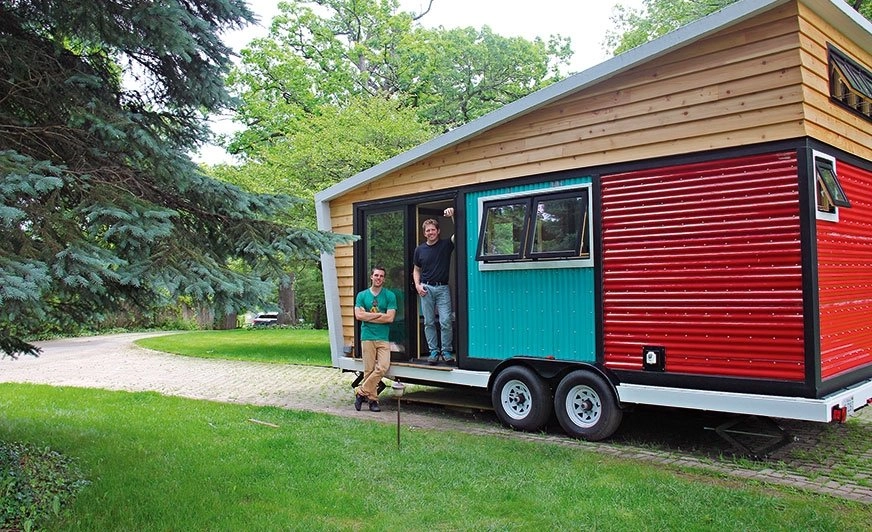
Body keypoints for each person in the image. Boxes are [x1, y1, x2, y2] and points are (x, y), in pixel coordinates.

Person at [413, 207, 455, 366]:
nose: (430, 232)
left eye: (433, 230)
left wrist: (453, 216)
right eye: (427, 231)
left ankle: (446, 351)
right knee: (429, 322)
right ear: (424, 233)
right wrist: (417, 286)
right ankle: (433, 351)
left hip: (443, 288)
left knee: (445, 321)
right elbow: (416, 270)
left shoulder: (446, 245)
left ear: (438, 231)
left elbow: (459, 234)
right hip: (426, 289)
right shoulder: (420, 250)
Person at [353, 266, 397, 412]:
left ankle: (360, 392)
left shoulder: (389, 296)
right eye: (376, 275)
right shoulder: (362, 295)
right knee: (369, 369)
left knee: (383, 366)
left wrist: (368, 316)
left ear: (384, 279)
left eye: (381, 276)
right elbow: (359, 316)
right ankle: (373, 401)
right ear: (371, 277)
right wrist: (379, 316)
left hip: (383, 337)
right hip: (367, 336)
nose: (378, 278)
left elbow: (390, 318)